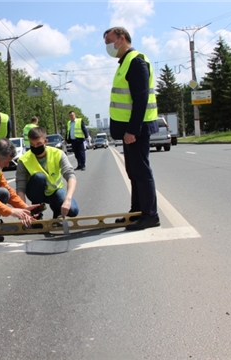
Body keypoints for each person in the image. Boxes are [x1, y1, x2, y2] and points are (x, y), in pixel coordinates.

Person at [103, 26, 160, 231]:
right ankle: (137, 212)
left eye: (109, 40)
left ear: (122, 38)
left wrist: (132, 130)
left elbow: (141, 98)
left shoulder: (136, 61)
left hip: (137, 129)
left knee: (141, 171)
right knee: (133, 171)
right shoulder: (125, 62)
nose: (107, 46)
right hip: (131, 129)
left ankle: (150, 215)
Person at [16, 127, 79, 220]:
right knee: (39, 177)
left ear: (46, 141)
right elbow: (20, 186)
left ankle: (57, 209)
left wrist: (67, 200)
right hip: (35, 193)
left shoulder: (58, 153)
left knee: (73, 210)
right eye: (32, 144)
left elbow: (70, 175)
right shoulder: (24, 160)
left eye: (39, 144)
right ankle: (36, 212)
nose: (35, 147)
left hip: (54, 191)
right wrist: (24, 209)